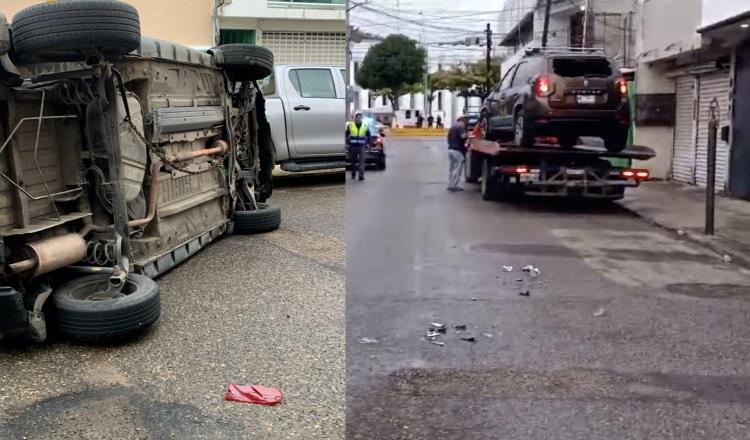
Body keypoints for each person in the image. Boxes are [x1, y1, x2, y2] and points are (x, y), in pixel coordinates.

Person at [346, 112, 371, 181]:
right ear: (355, 118)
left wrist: (369, 144)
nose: (359, 119)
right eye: (357, 117)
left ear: (361, 118)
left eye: (360, 117)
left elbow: (369, 135)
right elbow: (346, 135)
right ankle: (353, 173)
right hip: (352, 147)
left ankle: (361, 175)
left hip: (361, 146)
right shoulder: (350, 125)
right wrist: (347, 142)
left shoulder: (365, 126)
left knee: (362, 162)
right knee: (353, 162)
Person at [447, 116, 468, 191]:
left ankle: (450, 184)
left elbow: (448, 139)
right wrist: (467, 135)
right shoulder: (461, 127)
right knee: (457, 168)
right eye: (466, 123)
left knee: (452, 168)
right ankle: (454, 185)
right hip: (457, 151)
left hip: (450, 150)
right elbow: (463, 136)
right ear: (463, 122)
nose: (465, 125)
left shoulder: (452, 127)